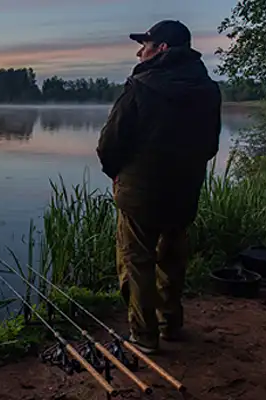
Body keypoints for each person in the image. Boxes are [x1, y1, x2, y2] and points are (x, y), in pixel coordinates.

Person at [96, 20, 222, 354]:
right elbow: (211, 145)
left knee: (136, 262)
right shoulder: (209, 90)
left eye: (146, 45)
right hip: (184, 191)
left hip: (140, 194)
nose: (140, 51)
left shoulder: (141, 86)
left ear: (162, 49)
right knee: (173, 260)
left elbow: (110, 142)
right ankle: (170, 324)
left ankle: (144, 336)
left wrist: (114, 172)